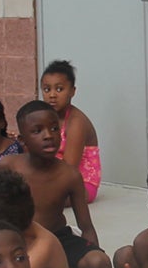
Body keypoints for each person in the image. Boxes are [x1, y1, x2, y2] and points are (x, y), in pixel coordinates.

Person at [3, 100, 113, 268]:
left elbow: (86, 226)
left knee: (100, 264)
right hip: (18, 238)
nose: (48, 135)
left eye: (54, 129)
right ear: (22, 138)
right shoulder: (10, 166)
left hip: (57, 237)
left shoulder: (69, 175)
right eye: (37, 130)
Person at [38, 60, 102, 202]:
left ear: (72, 91)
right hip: (52, 175)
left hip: (80, 181)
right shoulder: (44, 116)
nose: (52, 95)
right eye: (47, 89)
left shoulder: (76, 122)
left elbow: (69, 168)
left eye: (59, 89)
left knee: (45, 197)